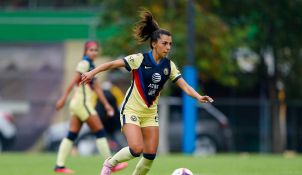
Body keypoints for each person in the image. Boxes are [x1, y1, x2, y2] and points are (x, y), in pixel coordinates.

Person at [81, 10, 214, 175]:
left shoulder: (169, 66)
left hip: (150, 114)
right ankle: (110, 163)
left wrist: (198, 96)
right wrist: (91, 73)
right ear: (154, 44)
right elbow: (110, 65)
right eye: (164, 43)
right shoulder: (139, 59)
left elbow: (185, 86)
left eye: (170, 44)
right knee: (136, 148)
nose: (168, 47)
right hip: (131, 110)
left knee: (150, 156)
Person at [54, 41, 128, 174]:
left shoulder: (91, 65)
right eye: (91, 50)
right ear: (85, 51)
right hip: (83, 104)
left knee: (72, 135)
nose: (93, 52)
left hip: (78, 104)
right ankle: (111, 164)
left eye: (95, 50)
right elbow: (73, 82)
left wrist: (106, 105)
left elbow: (97, 89)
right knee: (100, 132)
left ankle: (59, 166)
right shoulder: (84, 64)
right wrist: (63, 98)